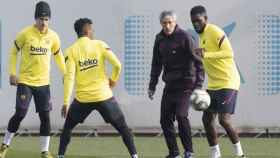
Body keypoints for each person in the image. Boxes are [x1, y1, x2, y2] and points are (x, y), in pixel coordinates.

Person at [57, 18, 138, 158]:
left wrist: (65, 102)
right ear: (87, 30)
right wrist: (113, 80)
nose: (93, 32)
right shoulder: (100, 45)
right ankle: (135, 156)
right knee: (123, 128)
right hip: (104, 96)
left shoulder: (70, 51)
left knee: (67, 128)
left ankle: (60, 156)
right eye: (92, 29)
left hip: (83, 99)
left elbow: (69, 78)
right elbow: (117, 65)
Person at [0, 1, 66, 158]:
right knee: (20, 113)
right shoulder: (25, 34)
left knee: (45, 117)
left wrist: (66, 73)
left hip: (44, 84)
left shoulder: (53, 37)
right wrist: (12, 73)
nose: (44, 23)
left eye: (47, 19)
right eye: (41, 19)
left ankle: (44, 151)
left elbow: (58, 56)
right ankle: (5, 145)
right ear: (35, 19)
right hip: (26, 82)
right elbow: (13, 53)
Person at [190, 5, 246, 158]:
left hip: (228, 82)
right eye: (193, 21)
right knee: (207, 119)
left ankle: (240, 154)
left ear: (206, 19)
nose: (196, 24)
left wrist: (207, 55)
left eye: (199, 21)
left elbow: (229, 52)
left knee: (224, 120)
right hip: (214, 84)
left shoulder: (214, 31)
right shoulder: (200, 37)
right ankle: (215, 154)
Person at [148, 10, 204, 158]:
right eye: (164, 23)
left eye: (170, 22)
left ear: (175, 22)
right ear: (161, 23)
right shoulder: (159, 38)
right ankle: (174, 153)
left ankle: (189, 152)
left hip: (186, 84)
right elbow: (156, 63)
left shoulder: (185, 37)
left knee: (181, 116)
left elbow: (198, 62)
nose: (167, 26)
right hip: (170, 85)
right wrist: (152, 85)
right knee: (165, 120)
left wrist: (198, 86)